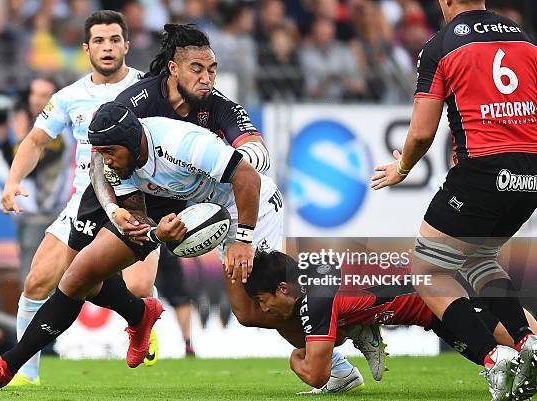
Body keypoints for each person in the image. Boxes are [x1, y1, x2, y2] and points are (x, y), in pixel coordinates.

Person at [87, 23, 372, 388]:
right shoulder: (139, 100)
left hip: (249, 206)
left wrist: (229, 167)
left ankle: (345, 328)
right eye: (197, 69)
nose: (207, 79)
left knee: (266, 299)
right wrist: (118, 212)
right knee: (250, 311)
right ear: (173, 68)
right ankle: (344, 337)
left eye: (212, 70)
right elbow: (101, 148)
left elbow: (256, 157)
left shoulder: (219, 107)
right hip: (214, 208)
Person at [0, 102, 273, 387]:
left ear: (133, 142)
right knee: (77, 276)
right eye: (101, 153)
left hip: (241, 203)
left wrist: (243, 238)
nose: (106, 160)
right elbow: (137, 215)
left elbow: (249, 178)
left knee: (248, 311)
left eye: (110, 151)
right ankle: (9, 366)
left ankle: (317, 344)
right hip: (158, 201)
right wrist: (153, 233)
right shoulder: (117, 160)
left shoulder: (183, 143)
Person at [371, 0, 537, 400]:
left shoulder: (441, 45)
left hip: (482, 171)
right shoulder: (526, 41)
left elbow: (422, 133)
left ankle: (491, 359)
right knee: (479, 257)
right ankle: (527, 340)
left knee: (428, 269)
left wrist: (403, 168)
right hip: (531, 173)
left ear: (444, 1)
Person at [0, 10, 156, 387]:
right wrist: (12, 181)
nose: (107, 47)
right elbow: (35, 140)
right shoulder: (69, 97)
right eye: (99, 41)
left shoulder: (148, 89)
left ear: (126, 45)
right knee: (37, 281)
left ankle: (141, 313)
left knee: (136, 287)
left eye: (114, 39)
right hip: (85, 200)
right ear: (86, 48)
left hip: (138, 200)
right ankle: (26, 376)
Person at [243, 250, 537, 393]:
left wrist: (296, 358)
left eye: (261, 299)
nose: (264, 309)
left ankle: (366, 328)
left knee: (525, 349)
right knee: (517, 354)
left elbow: (319, 376)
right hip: (433, 311)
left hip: (443, 296)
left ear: (282, 289)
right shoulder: (312, 267)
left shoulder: (314, 302)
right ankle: (366, 328)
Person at [0, 76, 71, 284]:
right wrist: (3, 139)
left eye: (44, 95)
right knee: (28, 271)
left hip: (45, 214)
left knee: (36, 276)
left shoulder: (60, 132)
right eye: (34, 94)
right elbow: (16, 166)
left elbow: (33, 168)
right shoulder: (34, 130)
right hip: (27, 213)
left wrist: (20, 138)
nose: (37, 100)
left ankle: (36, 316)